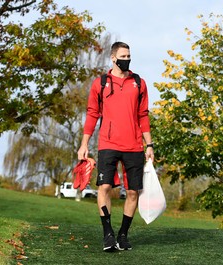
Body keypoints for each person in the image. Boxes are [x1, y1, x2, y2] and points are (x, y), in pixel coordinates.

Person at [77, 41, 154, 251]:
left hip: (134, 146)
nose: (127, 59)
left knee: (132, 193)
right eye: (123, 56)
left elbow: (143, 115)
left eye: (129, 56)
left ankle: (123, 235)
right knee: (104, 187)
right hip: (108, 144)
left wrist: (150, 145)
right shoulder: (100, 83)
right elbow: (92, 114)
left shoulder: (139, 83)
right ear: (113, 58)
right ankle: (108, 234)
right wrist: (84, 144)